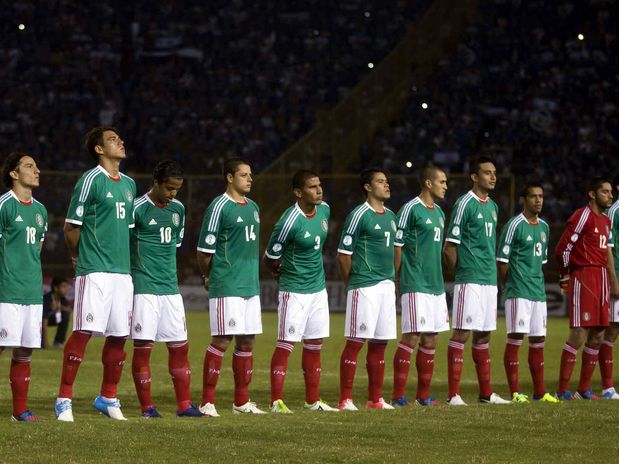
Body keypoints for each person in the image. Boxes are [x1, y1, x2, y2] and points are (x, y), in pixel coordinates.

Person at [55, 127, 136, 422]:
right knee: (83, 332)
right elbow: (71, 227)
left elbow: (126, 231)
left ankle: (108, 397)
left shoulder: (129, 185)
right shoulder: (90, 181)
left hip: (122, 273)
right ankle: (64, 398)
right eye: (114, 139)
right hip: (95, 270)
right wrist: (78, 257)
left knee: (118, 335)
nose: (121, 141)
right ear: (99, 149)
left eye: (120, 138)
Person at [130, 160, 203, 418]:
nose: (173, 194)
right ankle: (147, 408)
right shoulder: (137, 208)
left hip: (170, 289)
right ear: (156, 183)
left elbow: (175, 244)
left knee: (180, 347)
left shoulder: (178, 210)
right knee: (144, 347)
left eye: (177, 189)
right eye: (169, 188)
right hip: (144, 287)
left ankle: (184, 405)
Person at [264, 170, 338, 413]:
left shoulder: (324, 210)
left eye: (319, 185)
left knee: (315, 343)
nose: (319, 190)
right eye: (312, 187)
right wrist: (281, 272)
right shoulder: (289, 221)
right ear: (298, 192)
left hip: (318, 289)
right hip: (294, 290)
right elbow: (270, 256)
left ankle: (312, 401)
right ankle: (276, 402)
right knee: (286, 343)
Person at [197, 158, 265, 416]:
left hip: (250, 286)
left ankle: (241, 402)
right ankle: (207, 402)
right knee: (222, 340)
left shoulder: (254, 207)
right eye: (244, 175)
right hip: (227, 284)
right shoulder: (219, 206)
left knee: (247, 342)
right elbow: (204, 252)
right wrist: (209, 276)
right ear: (229, 177)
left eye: (251, 175)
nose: (250, 179)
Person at [443, 156, 510, 405]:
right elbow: (450, 247)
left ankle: (486, 393)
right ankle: (453, 395)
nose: (493, 177)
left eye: (494, 173)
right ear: (474, 177)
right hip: (470, 279)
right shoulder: (465, 203)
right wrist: (462, 274)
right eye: (487, 173)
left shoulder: (492, 206)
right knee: (461, 333)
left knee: (483, 336)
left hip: (488, 280)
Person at [337, 168, 398, 411]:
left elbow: (395, 250)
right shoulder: (359, 214)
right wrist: (351, 284)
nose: (387, 185)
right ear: (367, 187)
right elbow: (343, 255)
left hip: (386, 285)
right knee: (355, 341)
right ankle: (345, 399)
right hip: (364, 285)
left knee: (380, 342)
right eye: (381, 181)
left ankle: (375, 399)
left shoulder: (392, 216)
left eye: (387, 181)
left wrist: (392, 278)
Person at [391, 165, 449, 407]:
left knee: (431, 340)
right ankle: (398, 397)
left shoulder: (440, 213)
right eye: (442, 182)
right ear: (428, 183)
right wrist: (396, 277)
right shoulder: (410, 209)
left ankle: (423, 396)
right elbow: (397, 244)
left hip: (436, 285)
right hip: (415, 282)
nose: (446, 186)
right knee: (412, 337)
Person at [497, 183, 559, 403]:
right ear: (523, 199)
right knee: (515, 338)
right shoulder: (514, 225)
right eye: (533, 196)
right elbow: (502, 261)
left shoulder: (544, 227)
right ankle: (515, 393)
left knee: (538, 340)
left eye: (541, 196)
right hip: (519, 291)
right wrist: (510, 286)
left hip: (538, 292)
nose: (538, 200)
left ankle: (540, 393)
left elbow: (540, 262)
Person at [555, 177, 613, 400]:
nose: (610, 195)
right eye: (605, 192)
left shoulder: (606, 221)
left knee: (598, 333)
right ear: (592, 194)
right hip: (584, 275)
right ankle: (562, 390)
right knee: (579, 334)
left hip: (602, 277)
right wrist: (566, 276)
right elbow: (563, 249)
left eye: (611, 192)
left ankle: (583, 390)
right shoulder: (582, 216)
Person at [0, 152, 47, 422]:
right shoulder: (5, 206)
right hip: (7, 290)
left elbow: (36, 250)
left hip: (31, 291)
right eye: (29, 166)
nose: (36, 170)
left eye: (36, 165)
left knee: (24, 351)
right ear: (14, 174)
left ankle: (20, 411)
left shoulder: (40, 210)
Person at [599, 173, 619, 400]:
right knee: (612, 329)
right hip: (618, 276)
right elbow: (608, 249)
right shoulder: (614, 211)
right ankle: (607, 387)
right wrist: (614, 279)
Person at [42, 277, 72, 349]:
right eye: (63, 286)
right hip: (39, 321)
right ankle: (41, 342)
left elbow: (69, 310)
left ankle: (58, 342)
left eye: (66, 286)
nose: (66, 289)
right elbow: (44, 320)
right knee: (39, 345)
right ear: (56, 288)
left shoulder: (62, 298)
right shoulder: (47, 299)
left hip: (52, 319)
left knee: (65, 315)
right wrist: (45, 343)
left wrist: (59, 307)